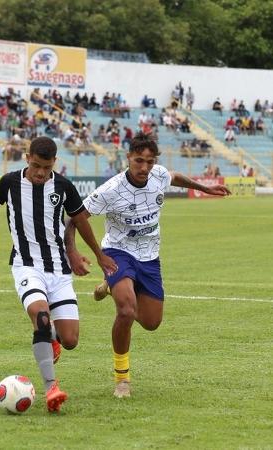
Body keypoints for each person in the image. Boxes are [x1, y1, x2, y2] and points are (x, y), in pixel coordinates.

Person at [0, 136, 117, 413]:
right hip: (26, 265)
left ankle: (52, 340)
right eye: (36, 165)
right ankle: (52, 387)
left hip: (59, 270)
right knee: (40, 316)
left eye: (46, 168)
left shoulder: (63, 186)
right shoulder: (10, 183)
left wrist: (95, 253)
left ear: (54, 164)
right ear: (27, 157)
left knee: (70, 340)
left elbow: (80, 221)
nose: (39, 173)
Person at [65, 132, 231, 399]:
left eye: (149, 162)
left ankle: (110, 287)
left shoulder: (158, 175)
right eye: (138, 161)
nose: (144, 167)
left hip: (150, 256)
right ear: (128, 157)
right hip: (117, 252)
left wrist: (205, 188)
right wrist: (74, 252)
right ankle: (122, 380)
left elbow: (174, 176)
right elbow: (74, 219)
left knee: (152, 323)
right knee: (127, 310)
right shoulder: (110, 190)